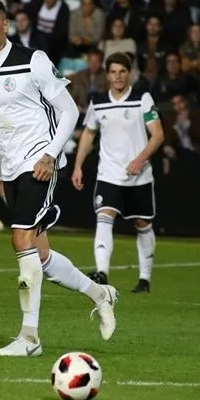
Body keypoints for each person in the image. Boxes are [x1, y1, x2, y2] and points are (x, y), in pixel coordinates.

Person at [0, 0, 118, 358]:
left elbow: (69, 111)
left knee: (20, 238)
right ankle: (100, 294)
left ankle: (29, 338)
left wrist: (51, 154)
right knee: (38, 254)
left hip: (40, 162)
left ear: (6, 25)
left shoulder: (33, 61)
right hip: (8, 167)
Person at [71, 53, 164, 294]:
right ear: (107, 74)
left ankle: (144, 279)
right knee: (104, 216)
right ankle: (102, 273)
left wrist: (140, 159)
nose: (117, 76)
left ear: (129, 73)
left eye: (122, 71)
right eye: (113, 72)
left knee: (142, 224)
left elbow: (158, 135)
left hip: (139, 177)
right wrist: (78, 165)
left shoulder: (142, 99)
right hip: (108, 174)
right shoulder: (98, 101)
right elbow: (89, 134)